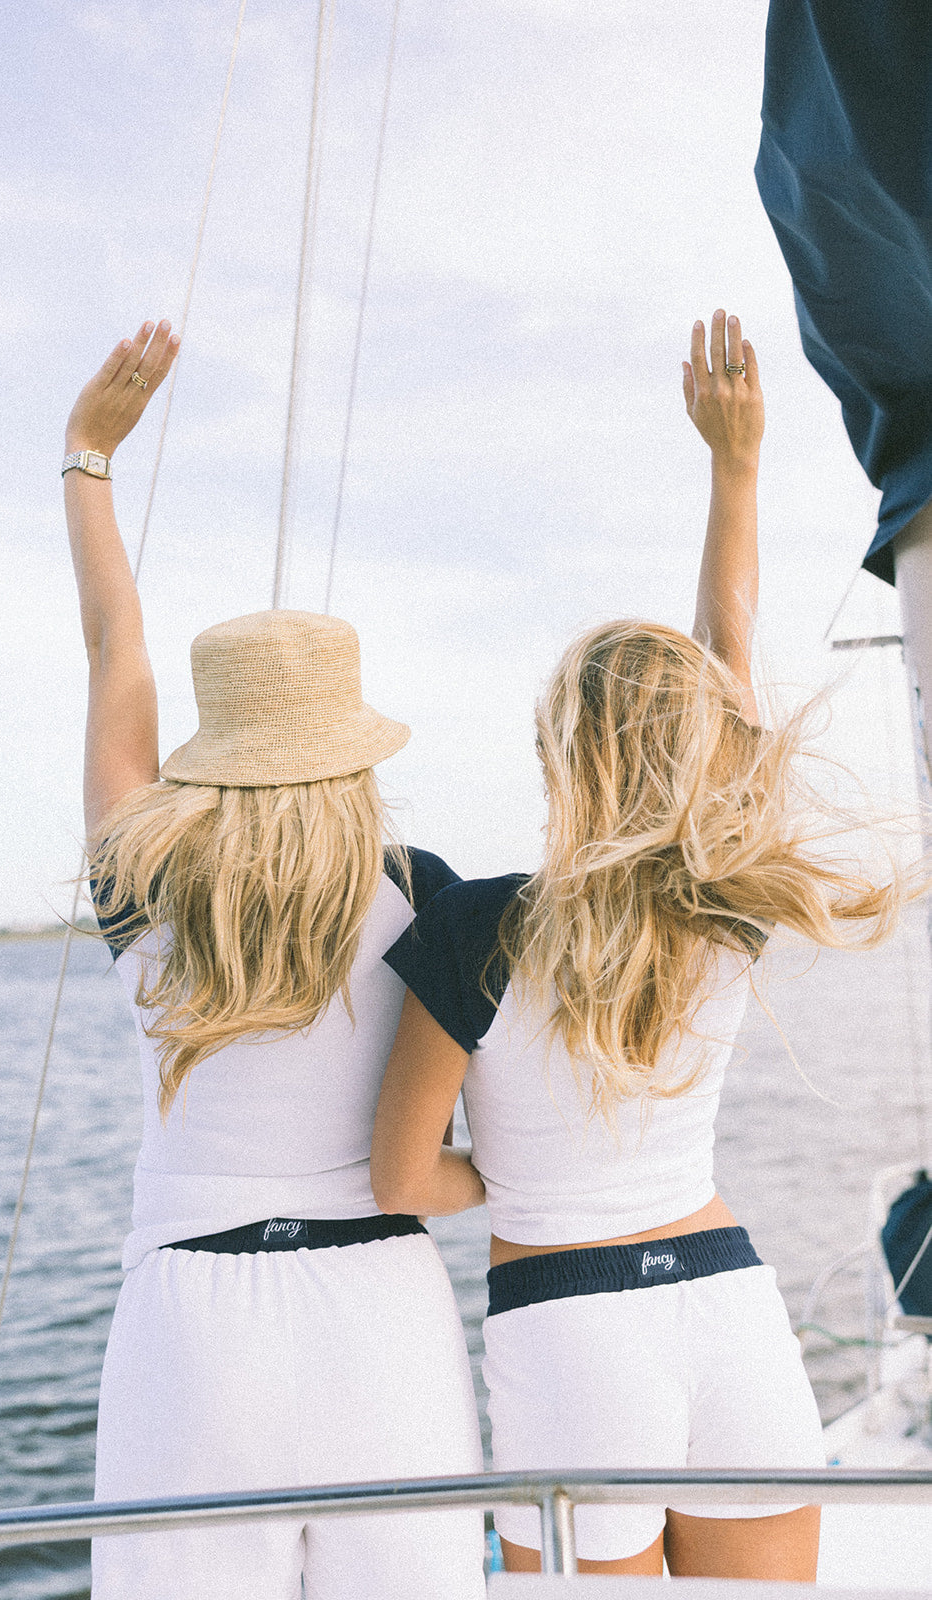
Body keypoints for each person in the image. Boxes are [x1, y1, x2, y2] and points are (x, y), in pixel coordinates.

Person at [371, 310, 904, 1580]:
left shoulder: (480, 925)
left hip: (570, 1332)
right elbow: (726, 657)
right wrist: (735, 468)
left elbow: (400, 1180)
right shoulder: (722, 901)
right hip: (726, 1303)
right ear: (699, 757)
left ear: (559, 754)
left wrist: (509, 1175)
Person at [63, 320, 485, 1600]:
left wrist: (88, 458)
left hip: (192, 1327)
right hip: (382, 1318)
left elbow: (111, 654)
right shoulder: (431, 901)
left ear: (219, 746)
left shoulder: (149, 878)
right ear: (354, 747)